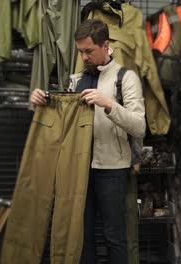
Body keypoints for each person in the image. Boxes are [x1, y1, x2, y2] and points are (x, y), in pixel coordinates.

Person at [30, 19, 145, 264]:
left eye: (89, 51)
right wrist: (42, 101)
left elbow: (139, 125)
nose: (83, 57)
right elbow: (64, 121)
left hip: (112, 169)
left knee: (115, 236)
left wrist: (109, 104)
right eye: (80, 51)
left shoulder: (126, 78)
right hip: (78, 169)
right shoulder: (76, 80)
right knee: (81, 237)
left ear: (106, 46)